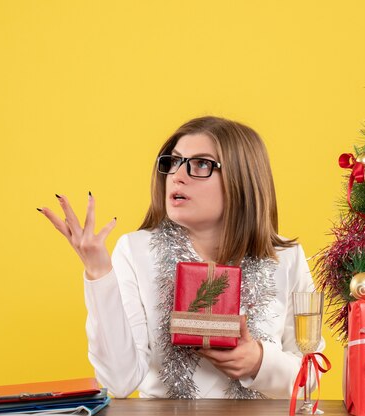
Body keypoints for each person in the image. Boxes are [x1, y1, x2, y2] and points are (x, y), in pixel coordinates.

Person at [38, 116, 323, 399]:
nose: (177, 175)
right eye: (173, 161)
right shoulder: (135, 251)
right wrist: (98, 271)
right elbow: (119, 382)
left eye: (201, 164)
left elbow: (311, 375)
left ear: (242, 179)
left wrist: (259, 361)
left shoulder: (286, 257)